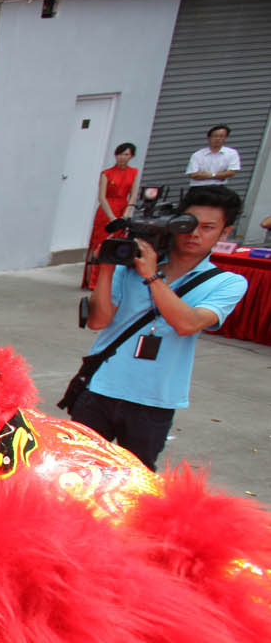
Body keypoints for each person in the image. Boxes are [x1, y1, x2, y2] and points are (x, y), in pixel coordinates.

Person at [73, 184, 248, 471]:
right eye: (189, 224)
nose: (195, 234)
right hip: (100, 387)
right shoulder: (130, 265)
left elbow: (187, 323)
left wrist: (152, 275)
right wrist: (106, 266)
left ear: (224, 232)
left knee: (136, 483)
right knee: (77, 474)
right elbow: (98, 321)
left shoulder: (226, 283)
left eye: (208, 227)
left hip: (153, 400)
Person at [83, 142, 140, 290]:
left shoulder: (134, 172)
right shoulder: (107, 174)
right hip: (107, 210)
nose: (122, 157)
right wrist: (112, 218)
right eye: (120, 154)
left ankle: (113, 281)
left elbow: (133, 195)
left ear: (131, 156)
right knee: (101, 244)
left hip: (123, 208)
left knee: (119, 245)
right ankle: (94, 281)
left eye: (126, 154)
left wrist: (126, 214)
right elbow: (102, 198)